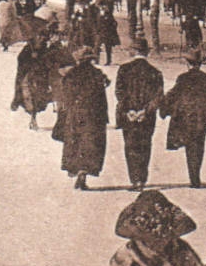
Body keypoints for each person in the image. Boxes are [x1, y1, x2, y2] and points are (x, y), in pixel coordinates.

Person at [162, 50, 206, 189]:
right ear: (200, 64)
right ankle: (196, 178)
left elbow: (174, 94)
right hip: (202, 117)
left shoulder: (183, 78)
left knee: (189, 146)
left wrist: (164, 107)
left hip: (186, 117)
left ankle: (193, 177)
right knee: (199, 147)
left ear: (188, 64)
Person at [54, 47, 110, 190]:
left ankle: (76, 169)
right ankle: (84, 171)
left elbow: (65, 96)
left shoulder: (71, 74)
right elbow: (101, 95)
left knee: (75, 141)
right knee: (90, 144)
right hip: (94, 114)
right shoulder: (97, 74)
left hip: (75, 113)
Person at [114, 48, 167, 191]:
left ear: (133, 52)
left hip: (128, 115)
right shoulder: (155, 72)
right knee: (145, 146)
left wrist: (128, 111)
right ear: (147, 53)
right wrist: (146, 111)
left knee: (130, 146)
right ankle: (142, 179)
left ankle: (134, 179)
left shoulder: (124, 69)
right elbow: (159, 96)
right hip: (147, 117)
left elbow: (119, 93)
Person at [11, 33, 56, 130]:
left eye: (42, 36)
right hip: (28, 77)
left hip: (41, 78)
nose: (41, 38)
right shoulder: (27, 49)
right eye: (38, 36)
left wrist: (40, 58)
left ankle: (34, 116)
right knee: (30, 97)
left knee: (40, 98)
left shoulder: (44, 48)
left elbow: (48, 62)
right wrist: (31, 58)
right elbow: (21, 61)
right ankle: (33, 118)